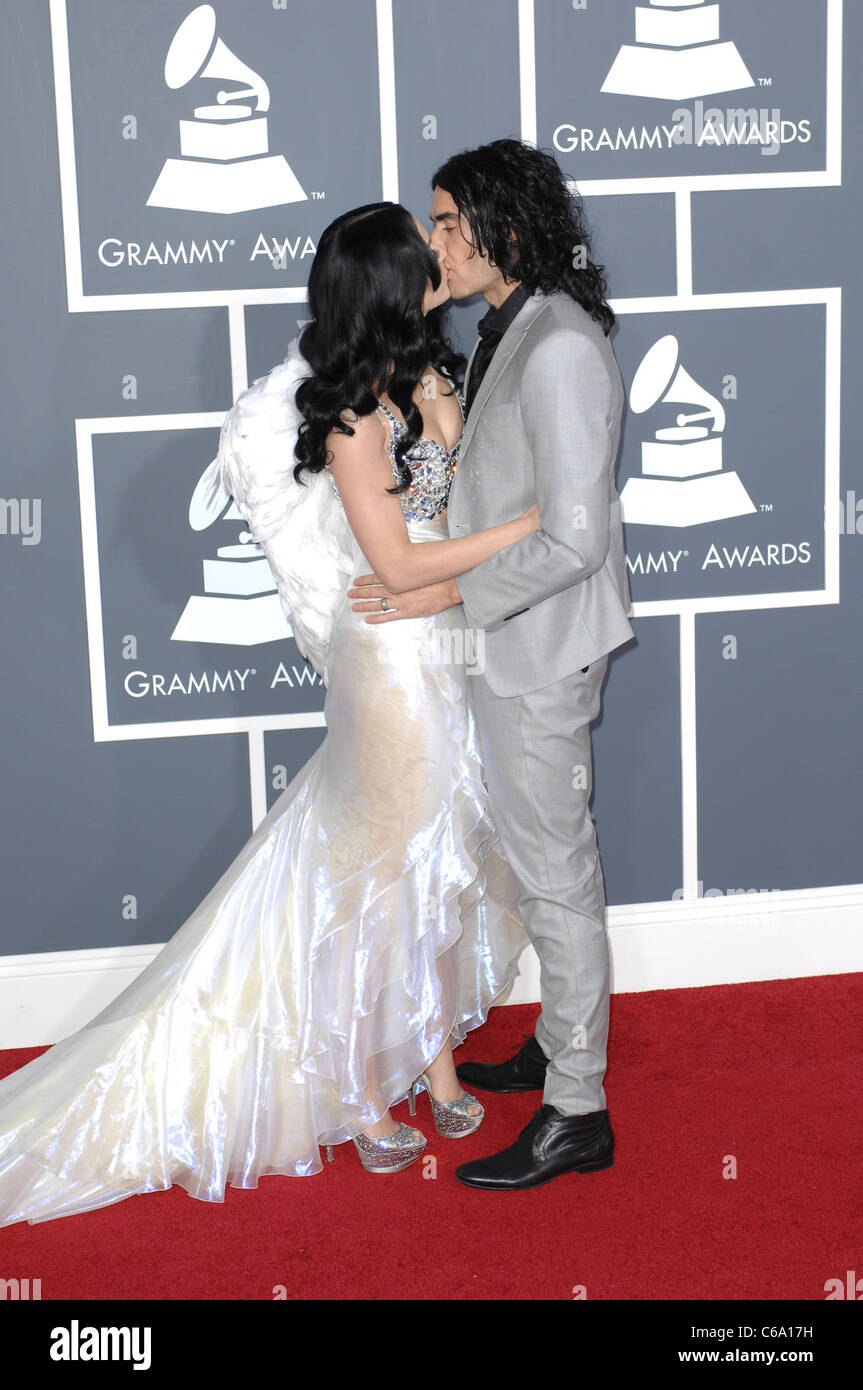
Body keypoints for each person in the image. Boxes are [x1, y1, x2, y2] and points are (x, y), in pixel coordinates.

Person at [0, 202, 535, 1227]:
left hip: (443, 651)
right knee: (373, 883)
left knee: (426, 861)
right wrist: (524, 532)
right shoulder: (342, 419)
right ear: (384, 285)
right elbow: (396, 564)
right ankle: (359, 1092)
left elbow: (450, 512)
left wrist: (473, 523)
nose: (440, 262)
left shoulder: (424, 378)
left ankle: (434, 1065)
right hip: (389, 670)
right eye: (420, 257)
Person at [347, 141, 635, 1190]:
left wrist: (441, 590)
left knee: (556, 876)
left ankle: (577, 1109)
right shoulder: (505, 331)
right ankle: (563, 1047)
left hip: (540, 649)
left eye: (449, 223)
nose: (434, 244)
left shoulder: (556, 346)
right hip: (509, 645)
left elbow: (572, 540)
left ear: (502, 224)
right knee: (529, 860)